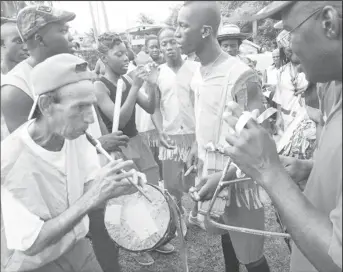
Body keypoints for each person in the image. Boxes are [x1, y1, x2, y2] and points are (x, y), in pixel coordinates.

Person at [0, 6, 129, 272]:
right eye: (79, 108)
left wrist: (115, 183)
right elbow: (33, 243)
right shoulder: (8, 163)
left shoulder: (71, 133)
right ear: (46, 105)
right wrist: (94, 196)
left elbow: (89, 182)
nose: (91, 120)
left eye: (90, 107)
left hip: (78, 247)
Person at [220, 1, 342, 272]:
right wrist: (311, 169)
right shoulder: (333, 86)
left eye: (291, 32)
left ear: (329, 23)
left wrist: (269, 170)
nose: (292, 54)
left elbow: (336, 260)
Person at [175, 2, 271, 272]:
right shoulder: (197, 73)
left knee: (252, 257)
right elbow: (204, 118)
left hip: (237, 180)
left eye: (183, 26)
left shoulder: (241, 75)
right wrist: (196, 146)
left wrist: (225, 177)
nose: (176, 33)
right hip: (210, 174)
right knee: (225, 233)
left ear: (205, 30)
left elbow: (259, 141)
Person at [93, 31, 175, 266]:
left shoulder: (128, 80)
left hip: (138, 142)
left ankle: (153, 237)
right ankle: (138, 245)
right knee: (130, 196)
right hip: (120, 148)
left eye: (125, 53)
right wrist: (135, 85)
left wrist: (152, 84)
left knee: (149, 190)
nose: (124, 58)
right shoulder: (99, 86)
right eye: (118, 54)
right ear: (104, 58)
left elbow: (149, 107)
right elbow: (120, 117)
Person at [151, 26, 199, 234]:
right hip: (170, 137)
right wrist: (159, 129)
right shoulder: (158, 73)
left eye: (172, 41)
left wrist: (201, 135)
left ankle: (196, 214)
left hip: (195, 136)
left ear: (179, 42)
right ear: (160, 48)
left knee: (198, 179)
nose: (169, 47)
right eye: (164, 44)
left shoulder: (196, 69)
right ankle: (179, 216)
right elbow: (154, 106)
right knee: (171, 184)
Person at [1, 17, 29, 141]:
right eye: (18, 41)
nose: (26, 47)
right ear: (2, 45)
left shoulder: (33, 75)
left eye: (26, 40)